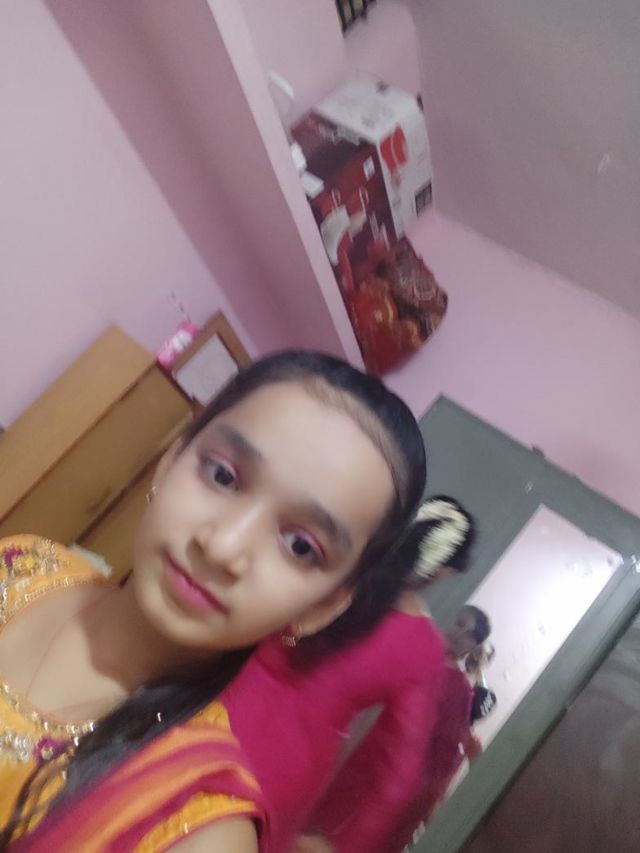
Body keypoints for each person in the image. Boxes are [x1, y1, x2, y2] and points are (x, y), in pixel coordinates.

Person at [0, 350, 430, 852]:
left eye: (300, 546)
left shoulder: (200, 829)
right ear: (171, 461)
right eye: (223, 476)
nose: (223, 547)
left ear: (321, 607)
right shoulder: (25, 564)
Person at [292, 497, 475, 853]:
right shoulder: (420, 645)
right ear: (442, 571)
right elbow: (400, 773)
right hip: (296, 758)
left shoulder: (337, 569)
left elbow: (283, 635)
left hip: (220, 715)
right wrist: (345, 847)